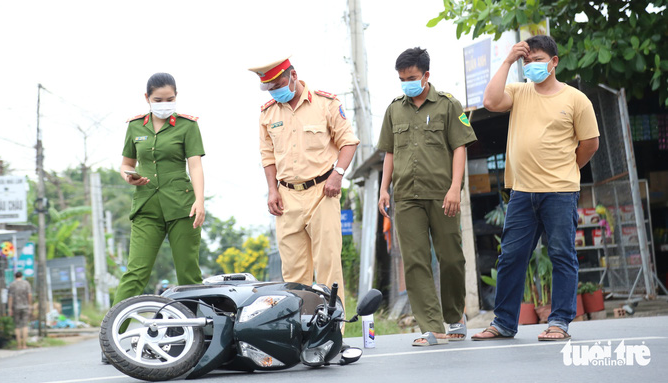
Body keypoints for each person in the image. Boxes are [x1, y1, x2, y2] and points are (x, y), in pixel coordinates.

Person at [472, 35, 599, 342]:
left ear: (554, 62)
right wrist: (507, 61)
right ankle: (503, 323)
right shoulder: (518, 92)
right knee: (511, 257)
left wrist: (568, 170)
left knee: (561, 254)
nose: (531, 66)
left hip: (559, 192)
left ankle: (559, 322)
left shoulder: (575, 99)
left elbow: (590, 143)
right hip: (521, 192)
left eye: (537, 60)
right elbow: (489, 101)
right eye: (526, 61)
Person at [377, 47, 477, 347]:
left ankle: (455, 316)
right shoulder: (394, 109)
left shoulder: (449, 105)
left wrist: (455, 188)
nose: (407, 83)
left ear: (426, 75)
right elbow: (389, 152)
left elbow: (460, 147)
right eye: (402, 79)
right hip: (406, 196)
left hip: (442, 194)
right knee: (415, 262)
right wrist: (384, 189)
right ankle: (431, 328)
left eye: (412, 77)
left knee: (452, 259)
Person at [249, 56, 359, 307]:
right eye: (270, 87)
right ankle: (302, 333)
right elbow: (267, 156)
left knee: (328, 266)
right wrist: (271, 191)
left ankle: (333, 333)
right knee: (294, 274)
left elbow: (348, 142)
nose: (275, 91)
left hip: (323, 192)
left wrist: (338, 174)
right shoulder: (268, 113)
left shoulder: (326, 104)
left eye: (278, 84)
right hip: (286, 197)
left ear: (293, 76)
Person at [114, 72, 206, 305]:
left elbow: (194, 166)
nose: (164, 105)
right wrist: (128, 177)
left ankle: (200, 333)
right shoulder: (135, 126)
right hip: (146, 207)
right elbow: (126, 164)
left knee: (188, 274)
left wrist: (200, 201)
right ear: (147, 97)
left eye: (169, 99)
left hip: (182, 207)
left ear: (176, 97)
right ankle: (111, 333)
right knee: (135, 273)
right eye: (158, 100)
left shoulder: (188, 125)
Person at [8, 271, 32, 350]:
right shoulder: (26, 284)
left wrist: (10, 308)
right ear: (22, 276)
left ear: (15, 276)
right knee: (25, 326)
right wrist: (29, 305)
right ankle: (24, 344)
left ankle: (18, 345)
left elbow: (10, 297)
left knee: (17, 326)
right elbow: (29, 295)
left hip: (16, 307)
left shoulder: (12, 285)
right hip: (25, 306)